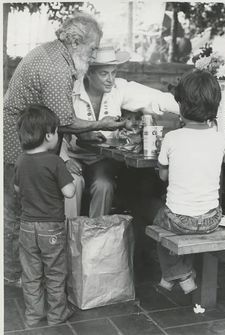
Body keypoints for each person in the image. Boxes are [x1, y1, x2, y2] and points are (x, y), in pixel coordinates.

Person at [4, 13, 125, 285]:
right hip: (17, 143)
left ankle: (20, 271)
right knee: (18, 210)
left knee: (19, 208)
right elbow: (64, 122)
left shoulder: (52, 54)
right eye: (92, 48)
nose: (93, 56)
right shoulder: (57, 67)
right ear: (75, 42)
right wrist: (100, 124)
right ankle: (14, 274)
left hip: (21, 139)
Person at [61, 45, 180, 218]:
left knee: (104, 185)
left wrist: (190, 109)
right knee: (73, 183)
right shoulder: (71, 90)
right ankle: (69, 236)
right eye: (104, 73)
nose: (110, 79)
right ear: (88, 73)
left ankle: (97, 236)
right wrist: (64, 160)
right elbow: (57, 128)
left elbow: (157, 99)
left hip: (101, 160)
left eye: (114, 72)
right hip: (71, 156)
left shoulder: (120, 88)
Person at [154, 69, 225, 294]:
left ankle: (179, 275)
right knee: (181, 219)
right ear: (215, 107)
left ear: (180, 105)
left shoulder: (171, 138)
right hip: (211, 219)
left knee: (157, 221)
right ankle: (174, 277)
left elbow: (163, 176)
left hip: (180, 221)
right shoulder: (220, 138)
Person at [14, 105, 76, 326]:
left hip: (27, 227)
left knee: (31, 273)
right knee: (55, 271)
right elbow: (70, 192)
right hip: (51, 228)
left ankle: (33, 315)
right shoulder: (54, 161)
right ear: (49, 135)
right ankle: (57, 314)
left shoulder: (21, 161)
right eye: (57, 132)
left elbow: (18, 190)